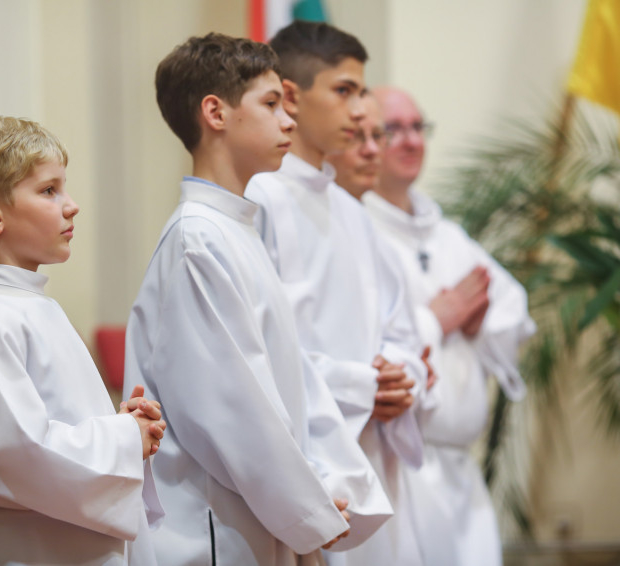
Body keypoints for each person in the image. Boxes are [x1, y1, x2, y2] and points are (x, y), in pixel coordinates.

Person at [123, 32, 391, 566]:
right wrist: (306, 509)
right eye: (271, 104)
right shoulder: (197, 240)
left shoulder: (235, 229)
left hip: (257, 514)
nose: (288, 120)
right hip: (211, 527)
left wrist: (326, 483)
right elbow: (229, 409)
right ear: (215, 113)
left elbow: (289, 379)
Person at [0, 116, 166, 566]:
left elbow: (46, 429)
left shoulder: (29, 306)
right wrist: (124, 440)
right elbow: (13, 457)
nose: (72, 206)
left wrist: (120, 426)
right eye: (49, 190)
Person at [245, 21, 436, 566]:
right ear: (291, 98)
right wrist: (364, 385)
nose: (359, 110)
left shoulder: (354, 214)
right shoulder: (261, 198)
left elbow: (400, 329)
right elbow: (258, 346)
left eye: (361, 91)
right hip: (305, 463)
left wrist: (403, 375)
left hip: (373, 449)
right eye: (344, 91)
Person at [364, 86, 536, 566]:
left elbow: (513, 309)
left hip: (460, 471)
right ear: (366, 138)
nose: (411, 140)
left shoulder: (448, 236)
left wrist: (475, 323)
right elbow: (357, 346)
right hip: (398, 469)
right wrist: (436, 320)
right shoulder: (360, 232)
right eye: (394, 129)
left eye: (418, 127)